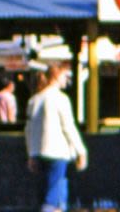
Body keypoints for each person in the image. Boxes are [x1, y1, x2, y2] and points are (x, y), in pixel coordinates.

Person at [23, 57, 88, 212]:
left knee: (49, 192)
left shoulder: (34, 100)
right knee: (53, 197)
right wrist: (81, 151)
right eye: (65, 76)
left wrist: (31, 153)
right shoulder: (61, 99)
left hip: (39, 152)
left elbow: (28, 129)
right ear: (56, 76)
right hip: (58, 152)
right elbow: (68, 127)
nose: (67, 79)